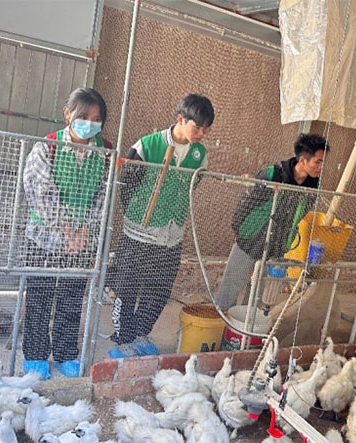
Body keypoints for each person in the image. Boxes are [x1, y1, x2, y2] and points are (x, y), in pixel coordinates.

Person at [107, 94, 214, 358]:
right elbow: (127, 183)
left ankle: (141, 333)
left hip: (171, 235)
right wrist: (140, 213)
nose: (201, 134)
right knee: (128, 287)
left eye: (205, 129)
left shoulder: (199, 155)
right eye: (197, 127)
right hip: (139, 234)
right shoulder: (147, 145)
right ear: (181, 119)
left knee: (159, 289)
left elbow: (193, 185)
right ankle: (123, 339)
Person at [22, 88, 112, 379]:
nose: (89, 124)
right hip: (45, 239)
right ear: (67, 114)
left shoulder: (105, 152)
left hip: (83, 241)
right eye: (83, 116)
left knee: (72, 299)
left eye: (96, 119)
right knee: (40, 298)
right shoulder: (47, 147)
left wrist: (84, 230)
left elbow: (103, 196)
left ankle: (64, 354)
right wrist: (66, 230)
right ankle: (35, 355)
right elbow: (40, 192)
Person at [216, 133, 329, 311]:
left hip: (277, 244)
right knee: (232, 283)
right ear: (302, 160)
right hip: (251, 237)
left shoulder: (313, 187)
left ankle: (246, 324)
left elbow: (299, 215)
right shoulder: (273, 174)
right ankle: (220, 321)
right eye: (318, 162)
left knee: (258, 292)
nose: (321, 167)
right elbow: (247, 205)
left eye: (323, 162)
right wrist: (242, 232)